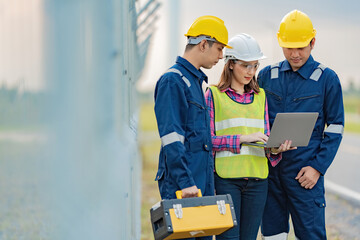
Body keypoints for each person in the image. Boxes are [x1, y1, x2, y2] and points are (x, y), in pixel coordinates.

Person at [258, 10, 345, 239]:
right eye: (288, 47)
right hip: (271, 172)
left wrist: (317, 168)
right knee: (272, 235)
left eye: (301, 47)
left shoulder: (327, 79)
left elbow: (335, 128)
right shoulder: (267, 75)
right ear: (280, 43)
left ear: (312, 43)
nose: (294, 54)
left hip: (305, 174)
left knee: (311, 235)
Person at [205, 33, 294, 240]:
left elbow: (264, 139)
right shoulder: (214, 95)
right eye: (245, 65)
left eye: (254, 66)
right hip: (226, 181)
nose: (251, 72)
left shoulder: (260, 96)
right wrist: (242, 139)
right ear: (230, 64)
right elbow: (207, 141)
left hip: (257, 181)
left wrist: (275, 148)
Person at [153, 15, 231, 240]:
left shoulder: (196, 82)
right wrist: (186, 182)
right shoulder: (173, 81)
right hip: (183, 186)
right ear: (203, 44)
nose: (221, 56)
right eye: (218, 48)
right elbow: (171, 138)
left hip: (200, 183)